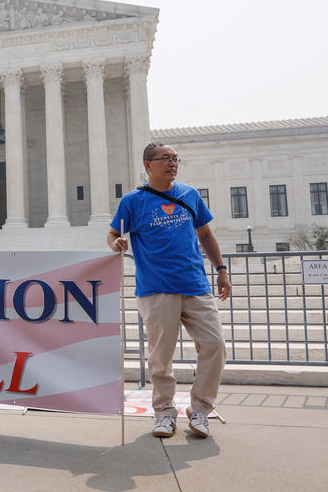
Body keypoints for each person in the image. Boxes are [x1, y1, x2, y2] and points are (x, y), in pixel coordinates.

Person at [107, 143, 231, 439]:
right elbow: (113, 233)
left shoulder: (189, 195)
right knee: (161, 356)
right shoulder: (133, 201)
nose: (173, 163)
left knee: (215, 345)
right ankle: (164, 413)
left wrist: (221, 270)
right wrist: (117, 244)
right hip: (157, 288)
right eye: (166, 159)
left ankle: (201, 409)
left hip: (195, 284)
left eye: (175, 159)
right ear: (149, 165)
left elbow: (205, 234)